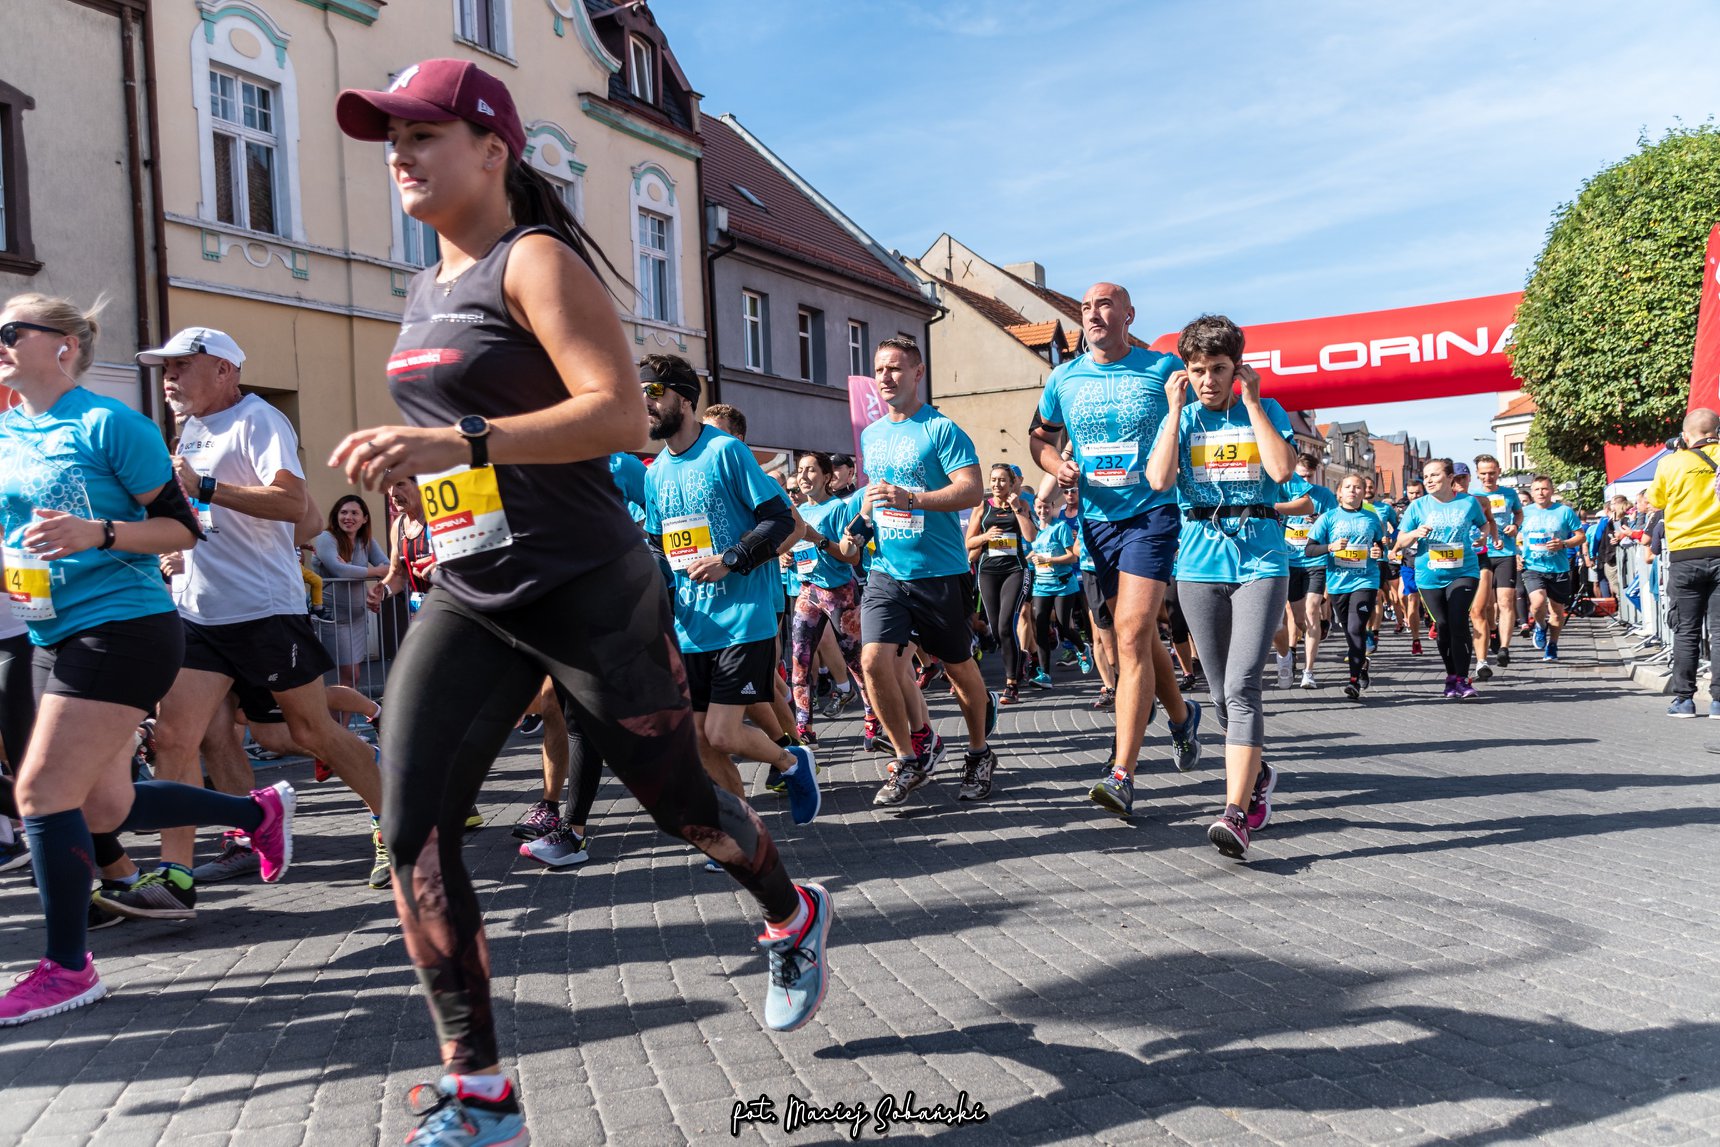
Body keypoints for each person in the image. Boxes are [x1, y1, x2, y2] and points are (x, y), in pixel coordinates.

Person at [333, 60, 834, 1143]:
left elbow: (614, 418)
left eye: (422, 134)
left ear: (491, 149)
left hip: (588, 589)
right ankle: (481, 1090)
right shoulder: (426, 287)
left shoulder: (535, 260)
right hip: (473, 591)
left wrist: (456, 440)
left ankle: (791, 913)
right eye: (390, 137)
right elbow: (477, 447)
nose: (398, 154)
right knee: (410, 831)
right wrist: (425, 499)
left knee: (685, 807)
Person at [0, 293, 294, 1025]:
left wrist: (94, 534)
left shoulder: (109, 425)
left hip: (125, 626)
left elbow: (181, 529)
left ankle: (68, 967)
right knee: (103, 803)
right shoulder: (8, 428)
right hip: (47, 626)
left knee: (38, 792)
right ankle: (253, 810)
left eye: (10, 330)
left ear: (63, 345)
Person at [99, 327, 383, 919]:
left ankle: (399, 827)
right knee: (180, 738)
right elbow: (198, 509)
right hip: (198, 608)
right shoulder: (192, 429)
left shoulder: (260, 420)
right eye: (166, 369)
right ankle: (177, 873)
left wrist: (202, 486)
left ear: (225, 369)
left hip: (263, 609)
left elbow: (291, 506)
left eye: (182, 366)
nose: (170, 379)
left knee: (308, 734)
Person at [1029, 282, 1201, 819]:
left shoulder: (1163, 368)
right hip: (1096, 521)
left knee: (1128, 633)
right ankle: (1181, 717)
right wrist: (1057, 467)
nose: (1093, 313)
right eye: (1085, 307)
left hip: (1152, 512)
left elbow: (1202, 426)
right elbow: (1040, 437)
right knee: (1137, 633)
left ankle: (1122, 772)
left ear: (1129, 313)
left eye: (1104, 304)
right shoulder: (1064, 377)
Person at [1143, 314, 1293, 857]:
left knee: (1242, 685)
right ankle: (1256, 774)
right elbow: (1159, 480)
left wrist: (1253, 404)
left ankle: (1236, 814)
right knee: (1217, 691)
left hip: (1260, 560)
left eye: (1219, 369)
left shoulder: (1265, 410)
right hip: (1199, 564)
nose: (1208, 379)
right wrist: (1173, 411)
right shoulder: (1179, 419)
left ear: (1238, 369)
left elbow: (1280, 472)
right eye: (1198, 369)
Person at [855, 337, 998, 804]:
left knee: (959, 673)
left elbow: (972, 490)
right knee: (874, 661)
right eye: (879, 369)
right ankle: (910, 757)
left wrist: (912, 499)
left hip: (938, 572)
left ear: (918, 374)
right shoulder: (871, 435)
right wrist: (859, 526)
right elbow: (876, 496)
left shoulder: (941, 429)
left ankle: (978, 752)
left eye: (896, 368)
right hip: (887, 570)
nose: (885, 377)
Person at [1394, 459, 1496, 699]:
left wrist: (1482, 538)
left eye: (1434, 475)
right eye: (1426, 476)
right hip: (1429, 574)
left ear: (1450, 477)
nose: (1428, 480)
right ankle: (1451, 676)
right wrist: (1413, 534)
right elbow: (1399, 541)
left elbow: (1484, 526)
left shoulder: (1468, 503)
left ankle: (1463, 679)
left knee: (1458, 620)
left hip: (1464, 571)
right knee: (1443, 626)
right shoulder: (1417, 507)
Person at [788, 451, 868, 738]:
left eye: (811, 470)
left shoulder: (837, 509)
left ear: (826, 477)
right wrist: (787, 556)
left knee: (855, 661)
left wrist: (818, 540)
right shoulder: (798, 512)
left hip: (838, 594)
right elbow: (796, 549)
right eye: (800, 470)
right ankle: (803, 726)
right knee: (799, 659)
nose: (804, 476)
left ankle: (873, 719)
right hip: (807, 590)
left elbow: (852, 557)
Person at [1647, 408, 1720, 717]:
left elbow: (1656, 500)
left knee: (1686, 630)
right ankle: (1718, 701)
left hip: (1685, 555)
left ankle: (1684, 699)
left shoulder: (1671, 463)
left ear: (1686, 435)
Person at [1304, 475, 1389, 700]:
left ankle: (1353, 681)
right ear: (1339, 493)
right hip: (1338, 583)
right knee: (1348, 631)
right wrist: (1330, 547)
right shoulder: (1328, 518)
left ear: (1363, 492)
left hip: (1365, 581)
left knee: (1355, 629)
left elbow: (1381, 547)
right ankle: (1362, 664)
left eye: (1358, 487)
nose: (1353, 490)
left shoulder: (1372, 518)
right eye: (1348, 487)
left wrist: (1379, 553)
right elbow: (1309, 550)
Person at [966, 462, 1036, 704]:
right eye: (993, 479)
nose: (997, 484)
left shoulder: (1021, 504)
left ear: (1011, 482)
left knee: (1007, 626)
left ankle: (1011, 684)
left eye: (1002, 480)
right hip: (988, 572)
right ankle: (1022, 657)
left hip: (1014, 570)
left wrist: (1017, 508)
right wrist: (986, 537)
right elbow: (969, 542)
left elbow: (1031, 536)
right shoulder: (982, 507)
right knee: (996, 630)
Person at [311, 494, 389, 691]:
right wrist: (373, 572)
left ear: (365, 519)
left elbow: (388, 566)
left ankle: (340, 724)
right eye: (343, 512)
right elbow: (340, 570)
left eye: (355, 513)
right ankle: (330, 722)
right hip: (333, 619)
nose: (348, 517)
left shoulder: (366, 540)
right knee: (348, 676)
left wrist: (355, 570)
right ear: (336, 516)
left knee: (354, 678)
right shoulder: (325, 538)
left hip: (358, 619)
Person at [1280, 454, 1336, 689]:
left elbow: (1336, 523)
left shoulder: (1323, 495)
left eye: (1308, 477)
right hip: (1289, 561)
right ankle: (1312, 634)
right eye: (1300, 475)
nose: (1304, 481)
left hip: (1315, 560)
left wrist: (1321, 521)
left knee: (1312, 610)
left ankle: (1308, 671)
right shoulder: (1281, 492)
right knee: (1297, 616)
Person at [1518, 475, 1586, 662]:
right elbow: (1514, 537)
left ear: (1552, 491)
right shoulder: (1524, 512)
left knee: (1556, 610)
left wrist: (1563, 544)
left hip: (1559, 567)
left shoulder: (1564, 511)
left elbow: (1581, 537)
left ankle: (1553, 644)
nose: (1541, 492)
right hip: (1532, 566)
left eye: (1545, 489)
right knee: (1538, 602)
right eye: (1537, 489)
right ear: (1532, 492)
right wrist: (1516, 554)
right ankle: (1540, 626)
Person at [1027, 491, 1082, 684]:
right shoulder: (1033, 529)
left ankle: (1083, 650)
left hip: (1063, 585)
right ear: (1034, 508)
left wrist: (1047, 559)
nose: (1043, 510)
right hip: (1041, 585)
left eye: (1047, 507)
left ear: (1052, 507)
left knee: (1063, 627)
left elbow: (1073, 557)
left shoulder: (1061, 527)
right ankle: (1045, 674)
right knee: (1040, 627)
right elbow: (1037, 547)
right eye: (1039, 507)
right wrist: (1025, 559)